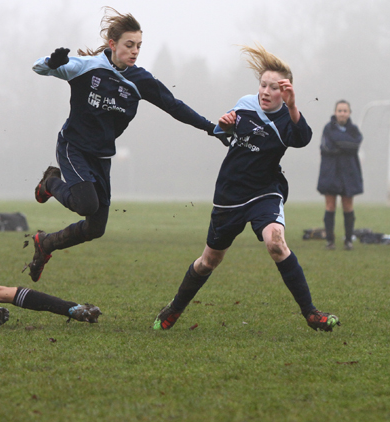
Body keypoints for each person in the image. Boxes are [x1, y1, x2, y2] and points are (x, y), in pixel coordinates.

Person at [24, 7, 229, 282]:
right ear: (112, 44)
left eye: (139, 46)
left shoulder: (140, 80)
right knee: (86, 204)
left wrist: (210, 128)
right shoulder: (86, 67)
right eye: (129, 45)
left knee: (96, 228)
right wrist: (52, 61)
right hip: (73, 147)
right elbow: (39, 67)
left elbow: (174, 106)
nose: (135, 51)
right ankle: (50, 182)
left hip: (102, 156)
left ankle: (46, 244)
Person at [153, 44, 340, 333]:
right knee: (208, 261)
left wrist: (292, 106)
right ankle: (175, 307)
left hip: (265, 191)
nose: (265, 91)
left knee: (276, 242)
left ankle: (311, 313)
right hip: (229, 195)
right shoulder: (245, 103)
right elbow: (222, 132)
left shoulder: (287, 118)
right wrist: (225, 123)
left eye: (274, 87)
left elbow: (302, 138)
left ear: (285, 91)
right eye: (263, 85)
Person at [316, 100, 363, 251]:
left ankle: (348, 241)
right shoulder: (327, 128)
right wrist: (345, 146)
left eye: (345, 111)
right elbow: (326, 147)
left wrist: (339, 143)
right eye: (340, 110)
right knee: (330, 205)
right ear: (335, 112)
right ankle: (330, 241)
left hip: (349, 173)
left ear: (349, 113)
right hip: (330, 173)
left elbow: (355, 144)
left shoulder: (354, 130)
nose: (342, 113)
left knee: (348, 206)